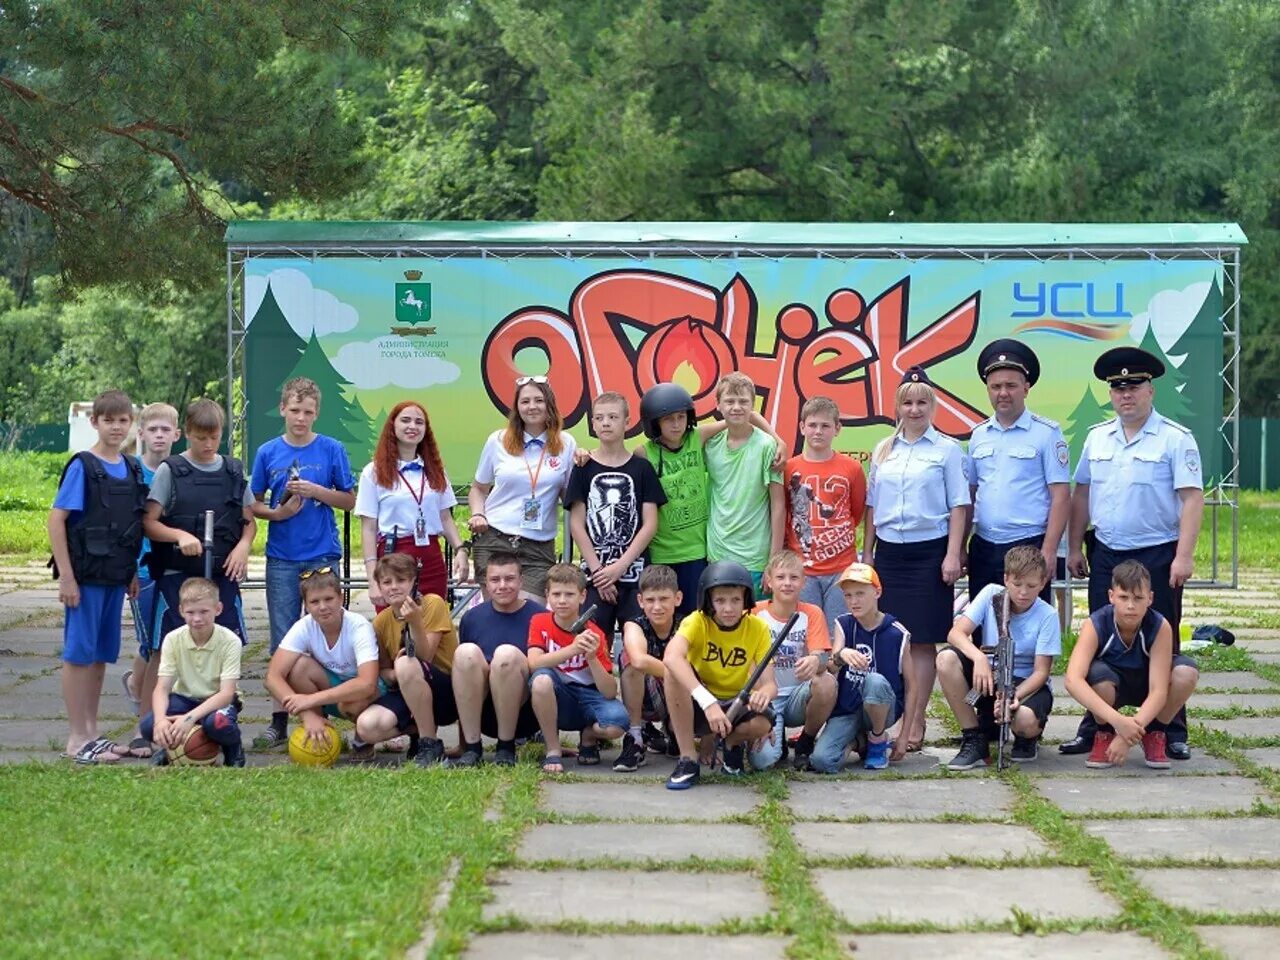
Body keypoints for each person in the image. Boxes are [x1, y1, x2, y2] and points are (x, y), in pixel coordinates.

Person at [1062, 346, 1204, 760]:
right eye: (1118, 387)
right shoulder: (1096, 437)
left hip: (1158, 555)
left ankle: (1169, 728)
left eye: (1134, 386)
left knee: (1166, 638)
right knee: (1099, 638)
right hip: (1107, 552)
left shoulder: (1176, 439)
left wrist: (1184, 555)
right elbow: (1082, 493)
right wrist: (1074, 546)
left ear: (1150, 390)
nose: (1126, 394)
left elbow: (1192, 499)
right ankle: (1097, 725)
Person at [862, 367, 970, 754]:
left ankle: (917, 718)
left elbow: (959, 505)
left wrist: (954, 553)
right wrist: (868, 553)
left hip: (930, 553)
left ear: (933, 405)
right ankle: (885, 720)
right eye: (907, 402)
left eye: (922, 401)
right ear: (897, 406)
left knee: (923, 643)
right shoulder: (883, 450)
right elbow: (872, 505)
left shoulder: (947, 449)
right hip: (889, 553)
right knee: (892, 641)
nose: (914, 409)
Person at [250, 377, 356, 751]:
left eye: (308, 412)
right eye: (294, 410)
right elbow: (254, 505)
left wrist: (317, 492)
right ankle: (280, 719)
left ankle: (324, 710)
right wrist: (278, 514)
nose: (300, 418)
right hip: (281, 558)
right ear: (282, 409)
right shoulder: (267, 452)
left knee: (325, 635)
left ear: (317, 414)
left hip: (322, 554)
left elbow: (350, 500)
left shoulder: (331, 449)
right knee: (283, 639)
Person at [48, 389, 148, 763]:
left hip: (115, 577)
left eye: (123, 420)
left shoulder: (132, 467)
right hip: (84, 579)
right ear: (94, 422)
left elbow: (128, 527)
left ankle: (92, 732)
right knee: (78, 654)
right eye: (109, 420)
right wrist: (67, 578)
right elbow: (56, 522)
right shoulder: (83, 467)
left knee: (100, 655)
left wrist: (131, 573)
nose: (117, 427)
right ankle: (77, 738)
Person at [631, 382, 785, 620]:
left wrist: (778, 440)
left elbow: (745, 416)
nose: (675, 424)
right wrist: (584, 455)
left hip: (698, 550)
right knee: (663, 614)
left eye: (681, 417)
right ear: (654, 423)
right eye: (668, 419)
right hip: (663, 551)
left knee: (701, 616)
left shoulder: (698, 438)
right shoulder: (644, 453)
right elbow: (618, 462)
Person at [1064, 560, 1199, 769]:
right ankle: (1104, 734)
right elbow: (1072, 680)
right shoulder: (1096, 623)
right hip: (1111, 686)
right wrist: (1118, 722)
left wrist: (1130, 734)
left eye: (1138, 598)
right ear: (1111, 597)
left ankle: (1155, 733)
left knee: (1186, 673)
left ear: (1150, 599)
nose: (1130, 605)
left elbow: (1158, 690)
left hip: (1146, 684)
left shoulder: (1160, 625)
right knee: (1098, 679)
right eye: (1123, 597)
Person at [143, 399, 254, 649]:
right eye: (201, 438)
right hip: (177, 576)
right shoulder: (170, 471)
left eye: (214, 438)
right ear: (187, 433)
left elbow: (249, 521)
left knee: (226, 646)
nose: (208, 445)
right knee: (166, 650)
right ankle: (156, 691)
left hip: (222, 576)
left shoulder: (233, 471)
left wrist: (244, 546)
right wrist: (179, 536)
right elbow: (148, 522)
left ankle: (224, 690)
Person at [965, 340, 1069, 605]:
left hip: (1029, 546)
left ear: (1026, 388)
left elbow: (1060, 496)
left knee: (1027, 628)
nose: (1003, 393)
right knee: (983, 627)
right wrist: (961, 547)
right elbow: (970, 494)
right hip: (985, 546)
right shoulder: (978, 435)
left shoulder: (1046, 433)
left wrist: (1048, 550)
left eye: (1011, 386)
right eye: (996, 386)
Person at [938, 546, 1061, 769]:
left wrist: (1013, 696)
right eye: (1017, 584)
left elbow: (1042, 671)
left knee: (1024, 720)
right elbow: (955, 633)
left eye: (1032, 586)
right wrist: (979, 658)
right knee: (946, 659)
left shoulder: (1048, 615)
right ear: (1006, 579)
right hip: (988, 675)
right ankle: (974, 739)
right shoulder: (990, 594)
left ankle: (1027, 738)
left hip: (1025, 683)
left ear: (1043, 583)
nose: (1023, 592)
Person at [662, 561, 776, 789]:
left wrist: (764, 694)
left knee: (763, 723)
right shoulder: (696, 621)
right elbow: (671, 657)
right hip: (699, 703)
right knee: (671, 671)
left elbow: (770, 684)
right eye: (720, 600)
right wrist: (708, 702)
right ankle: (687, 760)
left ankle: (732, 746)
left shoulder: (758, 628)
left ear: (746, 600)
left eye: (735, 600)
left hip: (736, 702)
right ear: (709, 602)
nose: (728, 608)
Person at [566, 391, 665, 640]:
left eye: (613, 417)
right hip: (594, 578)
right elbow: (577, 524)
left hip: (635, 576)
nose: (606, 423)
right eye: (599, 418)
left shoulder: (641, 468)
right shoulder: (582, 467)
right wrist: (601, 574)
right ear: (592, 424)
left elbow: (650, 524)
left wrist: (620, 567)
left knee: (636, 649)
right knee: (594, 645)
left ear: (627, 422)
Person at [468, 376, 576, 598]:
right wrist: (478, 514)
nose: (532, 407)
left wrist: (585, 461)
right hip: (495, 540)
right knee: (496, 616)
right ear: (517, 407)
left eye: (539, 400)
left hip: (537, 547)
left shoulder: (566, 443)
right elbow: (478, 488)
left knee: (530, 615)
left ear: (550, 405)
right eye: (525, 401)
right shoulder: (497, 440)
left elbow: (571, 497)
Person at [356, 400, 469, 609]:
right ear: (393, 426)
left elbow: (445, 517)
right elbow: (368, 528)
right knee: (394, 626)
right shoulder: (374, 472)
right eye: (405, 420)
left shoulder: (435, 470)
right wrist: (372, 580)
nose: (412, 427)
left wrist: (460, 549)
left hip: (431, 556)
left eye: (419, 422)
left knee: (432, 622)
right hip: (393, 558)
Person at [356, 552, 459, 766]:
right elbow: (382, 669)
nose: (394, 587)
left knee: (407, 662)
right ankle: (415, 731)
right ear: (379, 587)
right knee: (367, 727)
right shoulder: (381, 621)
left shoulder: (433, 604)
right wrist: (394, 674)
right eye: (387, 582)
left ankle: (429, 743)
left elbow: (424, 658)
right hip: (406, 687)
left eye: (401, 580)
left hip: (445, 690)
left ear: (413, 581)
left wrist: (415, 623)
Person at [264, 567, 381, 754]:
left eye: (328, 599)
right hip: (333, 686)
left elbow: (367, 684)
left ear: (341, 598)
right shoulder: (304, 626)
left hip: (368, 693)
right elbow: (272, 677)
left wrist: (309, 700)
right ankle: (318, 726)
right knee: (299, 667)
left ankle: (364, 739)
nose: (323, 607)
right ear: (306, 605)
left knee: (352, 702)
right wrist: (306, 713)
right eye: (314, 602)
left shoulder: (359, 626)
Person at [528, 563, 630, 773]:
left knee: (618, 723)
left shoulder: (595, 633)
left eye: (569, 594)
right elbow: (534, 662)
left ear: (583, 596)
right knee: (540, 680)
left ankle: (588, 736)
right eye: (556, 594)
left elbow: (610, 691)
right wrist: (573, 650)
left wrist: (591, 657)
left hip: (588, 697)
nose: (562, 600)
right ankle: (553, 749)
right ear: (547, 595)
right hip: (557, 695)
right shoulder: (540, 622)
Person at [809, 563, 910, 773]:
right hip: (848, 708)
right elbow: (831, 667)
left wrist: (905, 735)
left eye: (860, 594)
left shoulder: (897, 633)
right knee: (822, 761)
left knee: (874, 681)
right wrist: (841, 654)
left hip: (883, 706)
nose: (854, 601)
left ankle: (878, 738)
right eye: (848, 595)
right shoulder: (843, 624)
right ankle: (859, 742)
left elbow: (913, 686)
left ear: (877, 592)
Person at [121, 402, 180, 758]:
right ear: (141, 433)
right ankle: (143, 725)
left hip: (171, 566)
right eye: (152, 429)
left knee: (160, 644)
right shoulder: (132, 473)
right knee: (150, 645)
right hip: (141, 570)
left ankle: (137, 690)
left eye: (165, 430)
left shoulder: (179, 469)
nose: (159, 436)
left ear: (177, 434)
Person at [449, 552, 544, 767]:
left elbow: (548, 675)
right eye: (495, 580)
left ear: (521, 581)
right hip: (482, 712)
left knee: (506, 655)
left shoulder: (539, 616)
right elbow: (463, 677)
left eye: (509, 579)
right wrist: (461, 743)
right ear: (485, 583)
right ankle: (472, 749)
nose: (502, 585)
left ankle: (506, 748)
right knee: (465, 653)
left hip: (524, 712)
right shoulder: (472, 618)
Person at [784, 395, 867, 632]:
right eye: (812, 425)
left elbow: (856, 511)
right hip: (803, 568)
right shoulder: (790, 468)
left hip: (841, 568)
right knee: (807, 635)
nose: (818, 431)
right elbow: (785, 513)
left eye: (825, 425)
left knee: (838, 633)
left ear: (837, 429)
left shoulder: (851, 468)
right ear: (802, 427)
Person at [748, 550, 836, 772]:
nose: (787, 583)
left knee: (826, 682)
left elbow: (824, 658)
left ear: (803, 582)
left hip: (798, 694)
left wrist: (815, 660)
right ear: (769, 580)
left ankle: (806, 740)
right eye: (780, 577)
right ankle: (777, 744)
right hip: (767, 697)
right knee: (763, 761)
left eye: (794, 578)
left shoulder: (812, 613)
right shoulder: (754, 614)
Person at [143, 577, 245, 767]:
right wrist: (160, 722)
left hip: (216, 700)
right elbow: (162, 688)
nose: (197, 619)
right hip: (184, 698)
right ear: (181, 611)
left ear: (218, 609)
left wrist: (189, 718)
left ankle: (233, 746)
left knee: (217, 724)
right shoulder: (173, 639)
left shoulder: (231, 641)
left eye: (204, 612)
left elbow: (226, 693)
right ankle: (170, 749)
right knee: (148, 726)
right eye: (190, 612)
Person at [705, 372, 785, 591]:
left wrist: (774, 562)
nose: (736, 407)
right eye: (729, 401)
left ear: (753, 405)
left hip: (755, 559)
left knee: (755, 623)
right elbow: (688, 436)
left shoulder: (767, 446)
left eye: (743, 402)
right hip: (716, 556)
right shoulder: (710, 444)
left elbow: (778, 505)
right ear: (718, 405)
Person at [615, 563, 683, 771]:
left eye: (664, 599)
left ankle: (673, 732)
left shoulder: (686, 625)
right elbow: (638, 660)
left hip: (679, 698)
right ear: (640, 601)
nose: (657, 606)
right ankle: (635, 737)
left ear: (677, 599)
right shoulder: (634, 625)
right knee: (630, 660)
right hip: (646, 697)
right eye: (650, 600)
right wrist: (680, 676)